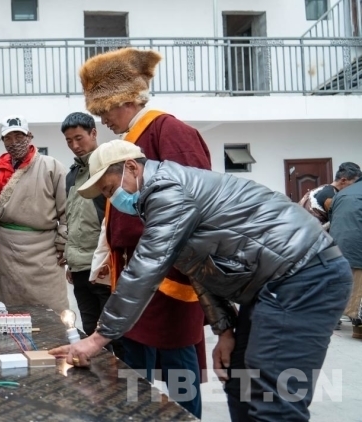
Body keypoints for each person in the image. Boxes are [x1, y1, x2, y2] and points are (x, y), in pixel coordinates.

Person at [50, 140, 352, 422]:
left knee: (273, 398)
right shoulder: (162, 197)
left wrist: (98, 338)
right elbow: (201, 269)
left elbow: (144, 270)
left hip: (304, 276)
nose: (112, 199)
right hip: (273, 285)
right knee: (239, 382)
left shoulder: (167, 191)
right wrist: (225, 330)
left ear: (130, 167)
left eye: (109, 189)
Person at [78, 47, 209, 417]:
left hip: (168, 273)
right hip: (135, 272)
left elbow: (190, 205)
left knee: (177, 363)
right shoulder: (131, 137)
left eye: (105, 110)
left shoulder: (170, 130)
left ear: (125, 99)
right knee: (134, 366)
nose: (103, 119)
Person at [0, 115, 69, 312]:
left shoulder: (52, 167)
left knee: (51, 311)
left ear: (29, 136)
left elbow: (67, 211)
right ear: (2, 141)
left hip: (44, 251)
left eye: (19, 136)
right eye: (8, 138)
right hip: (6, 251)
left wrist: (63, 243)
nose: (14, 142)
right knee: (7, 310)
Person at [61, 112, 124, 358]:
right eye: (69, 141)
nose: (74, 145)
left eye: (79, 138)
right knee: (89, 330)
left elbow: (116, 219)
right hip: (79, 267)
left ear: (94, 133)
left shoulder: (108, 169)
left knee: (112, 333)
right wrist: (71, 260)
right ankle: (100, 378)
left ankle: (118, 378)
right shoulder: (72, 175)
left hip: (103, 267)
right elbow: (72, 219)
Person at [329, 174, 362, 339]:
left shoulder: (341, 193)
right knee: (358, 290)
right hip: (357, 247)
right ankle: (358, 326)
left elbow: (332, 218)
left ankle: (351, 324)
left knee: (345, 286)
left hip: (337, 248)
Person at [299, 162, 361, 230]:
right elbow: (343, 221)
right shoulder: (331, 197)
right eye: (354, 184)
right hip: (314, 234)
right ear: (343, 180)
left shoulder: (321, 189)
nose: (355, 187)